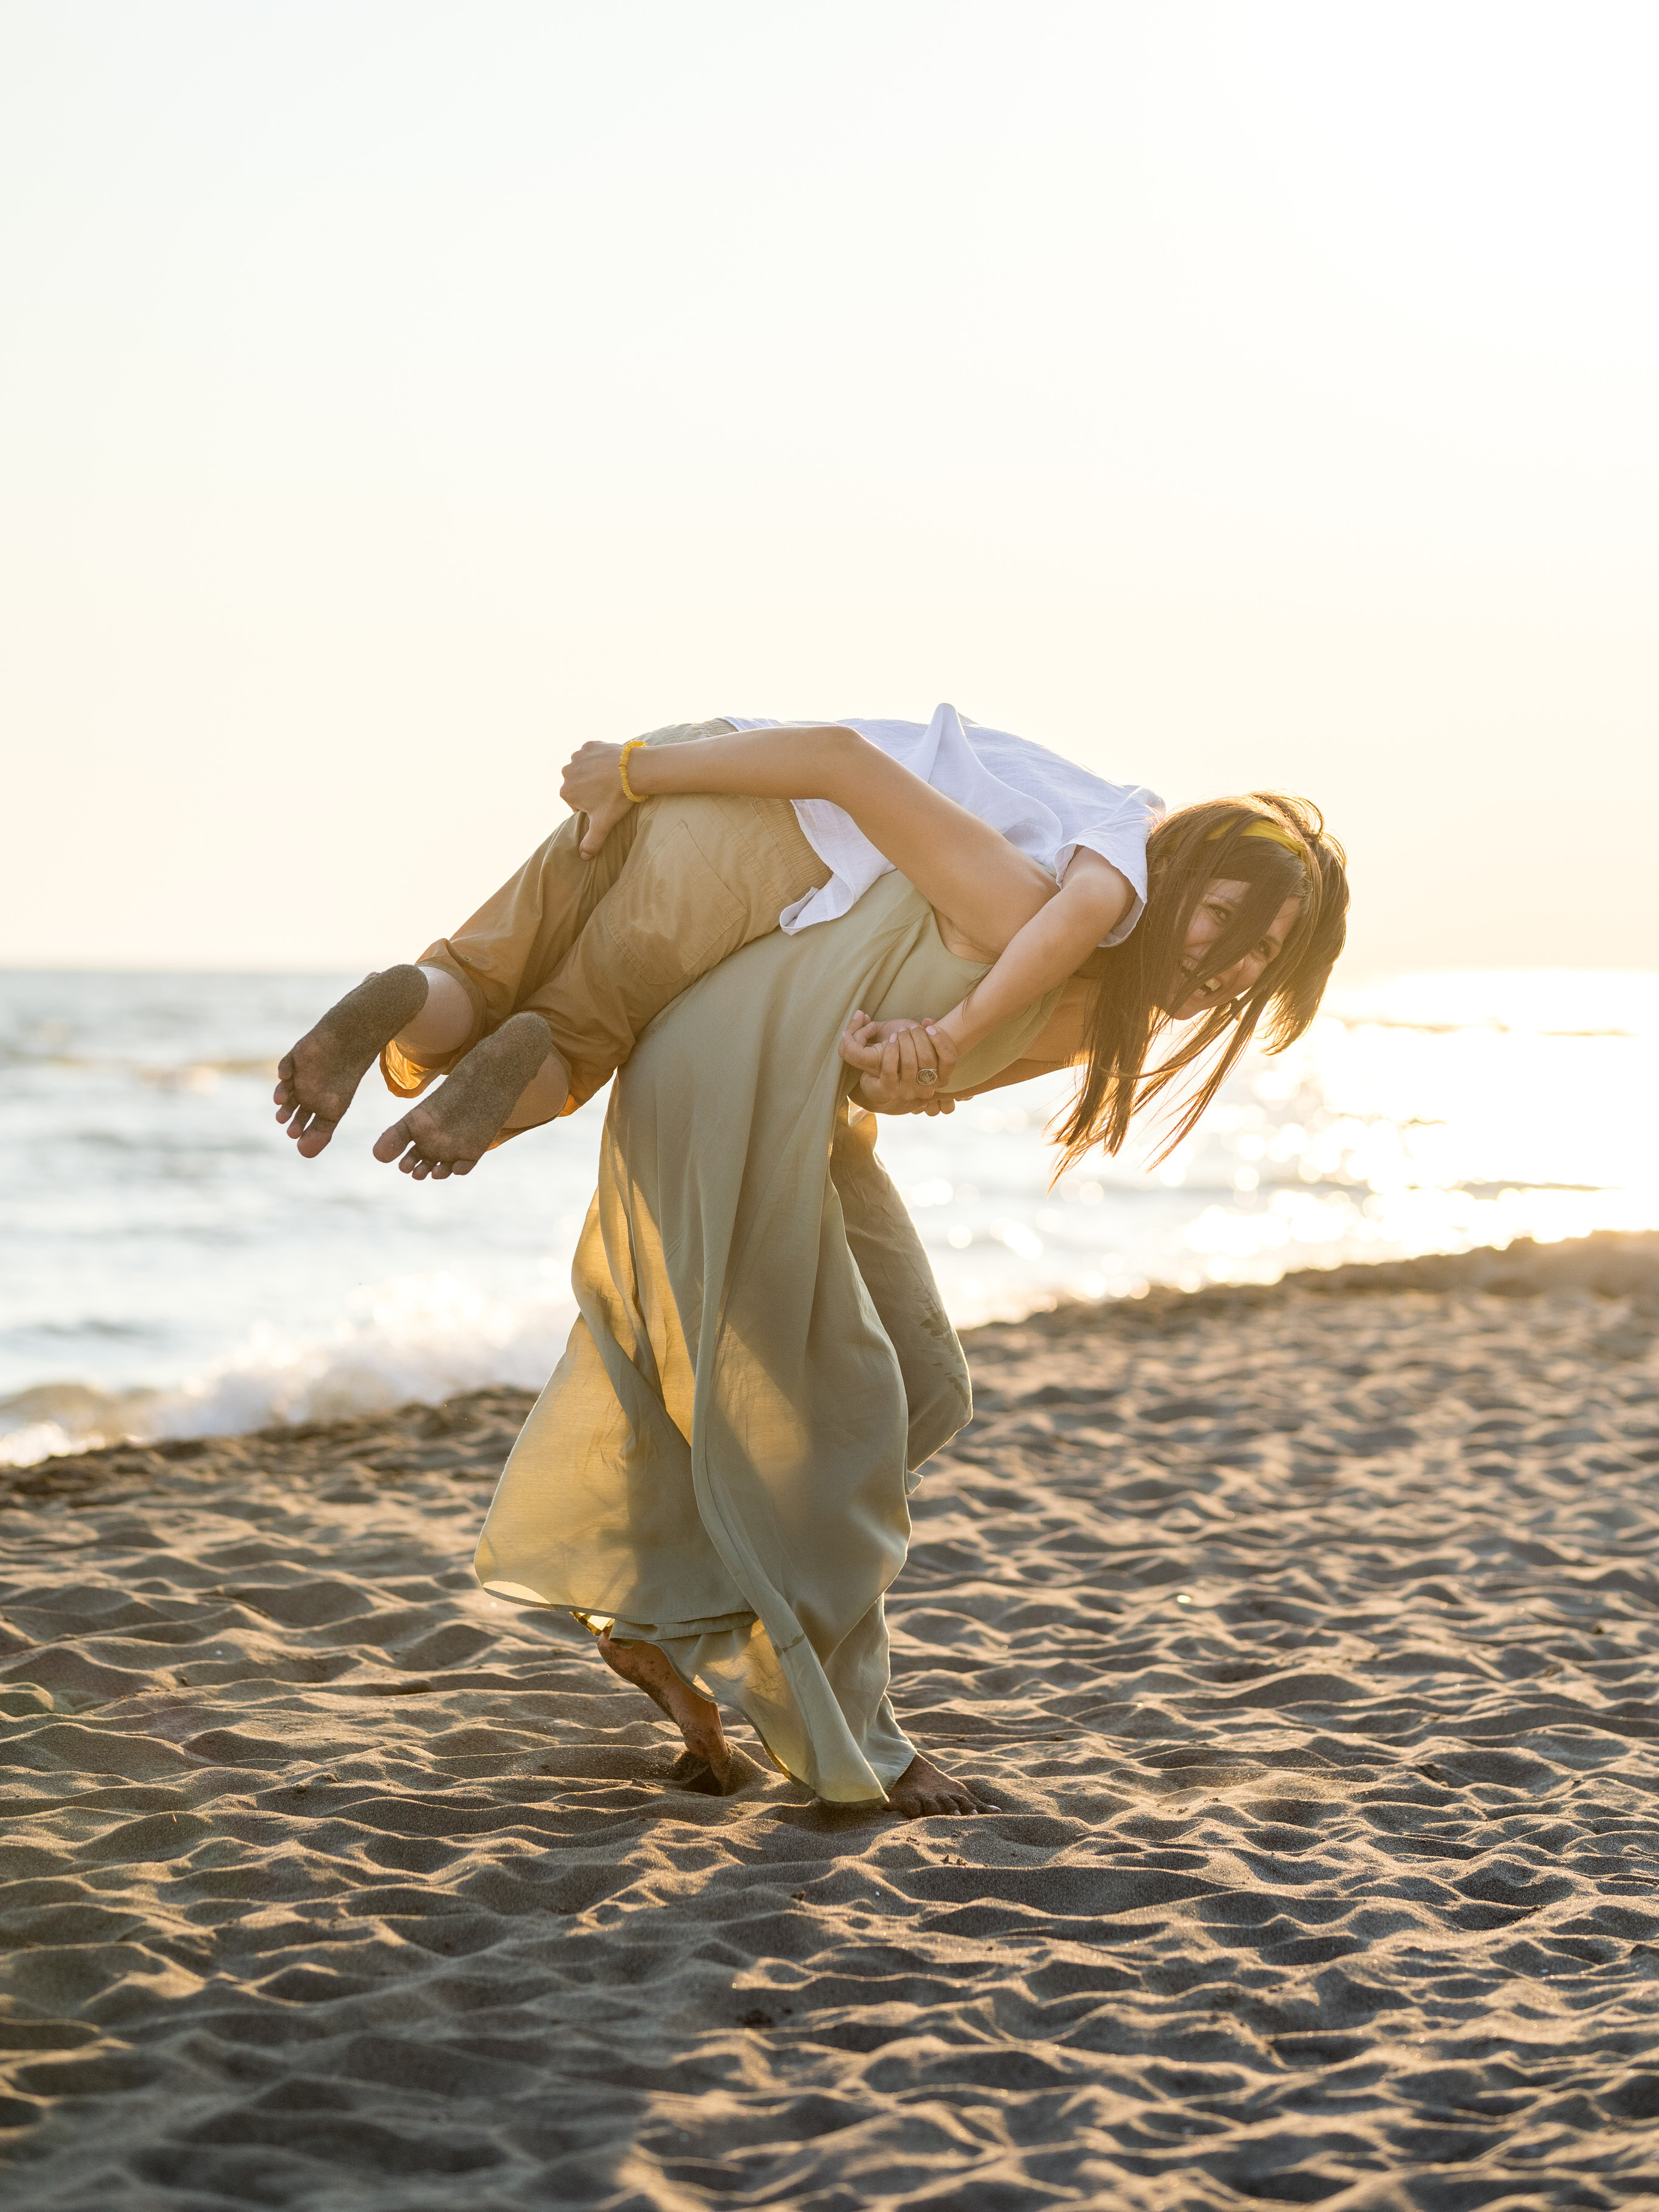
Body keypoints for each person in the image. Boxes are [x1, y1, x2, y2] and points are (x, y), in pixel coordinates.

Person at [471, 793, 1347, 1816]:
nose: (1232, 960)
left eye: (1264, 951)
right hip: (731, 1070)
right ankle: (860, 1744)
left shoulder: (1109, 1011)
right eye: (1222, 915)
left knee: (926, 1387)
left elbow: (912, 1081)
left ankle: (656, 1616)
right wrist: (639, 769)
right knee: (848, 1417)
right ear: (1173, 880)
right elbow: (848, 765)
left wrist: (906, 1070)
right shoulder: (1030, 897)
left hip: (810, 1101)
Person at [272, 708, 1163, 1175]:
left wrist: (631, 768)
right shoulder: (1130, 844)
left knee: (474, 971)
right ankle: (510, 1067)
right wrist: (952, 1041)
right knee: (574, 1037)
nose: (1217, 969)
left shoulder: (1073, 793)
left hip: (705, 749)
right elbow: (843, 765)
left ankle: (406, 996)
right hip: (764, 836)